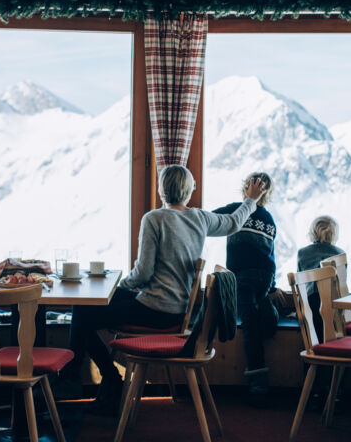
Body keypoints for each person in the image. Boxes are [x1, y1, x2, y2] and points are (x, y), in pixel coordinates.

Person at [59, 164, 267, 413]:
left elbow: (143, 273)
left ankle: (86, 378)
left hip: (155, 311)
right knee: (92, 308)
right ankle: (102, 380)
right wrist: (251, 200)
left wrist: (121, 287)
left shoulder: (154, 218)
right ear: (189, 190)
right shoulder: (200, 218)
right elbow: (233, 223)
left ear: (161, 190)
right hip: (177, 311)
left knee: (82, 311)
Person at [213, 172, 284, 404]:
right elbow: (271, 254)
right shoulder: (269, 219)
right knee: (257, 314)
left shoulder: (235, 209)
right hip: (265, 277)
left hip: (241, 277)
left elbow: (207, 219)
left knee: (250, 326)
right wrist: (272, 287)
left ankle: (258, 381)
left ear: (246, 189)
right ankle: (270, 313)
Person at [297, 215, 344, 345]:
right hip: (332, 306)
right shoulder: (340, 254)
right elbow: (341, 286)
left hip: (309, 305)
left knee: (313, 337)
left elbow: (300, 286)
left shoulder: (302, 253)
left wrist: (299, 310)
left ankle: (314, 354)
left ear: (313, 232)